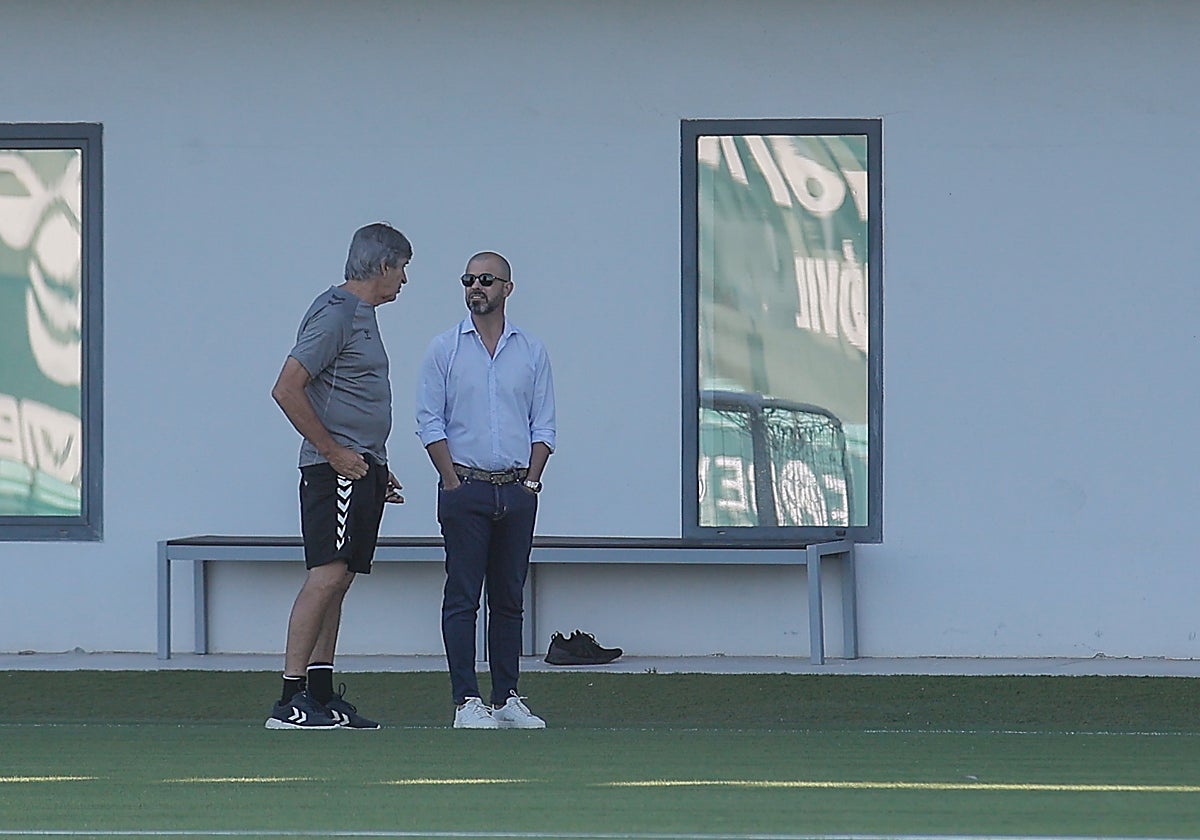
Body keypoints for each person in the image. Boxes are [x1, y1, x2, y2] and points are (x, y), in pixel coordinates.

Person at [265, 222, 411, 730]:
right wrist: (333, 454)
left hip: (362, 466)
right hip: (335, 471)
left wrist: (376, 465)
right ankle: (289, 700)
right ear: (383, 265)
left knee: (341, 579)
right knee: (325, 576)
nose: (404, 281)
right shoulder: (337, 314)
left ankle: (322, 694)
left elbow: (353, 398)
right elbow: (287, 388)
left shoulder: (362, 316)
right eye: (403, 269)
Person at [415, 251, 556, 729]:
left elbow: (545, 425)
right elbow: (429, 421)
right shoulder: (445, 349)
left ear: (507, 288)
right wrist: (451, 482)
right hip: (466, 488)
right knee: (463, 596)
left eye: (487, 280)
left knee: (509, 597)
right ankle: (466, 702)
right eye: (469, 280)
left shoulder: (531, 351)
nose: (477, 287)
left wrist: (531, 482)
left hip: (516, 490)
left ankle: (507, 696)